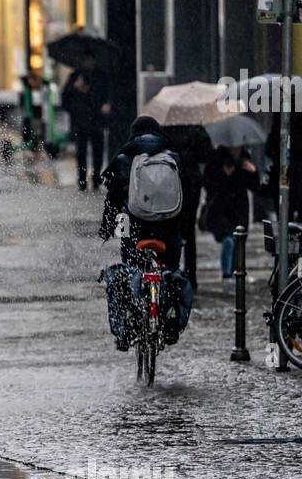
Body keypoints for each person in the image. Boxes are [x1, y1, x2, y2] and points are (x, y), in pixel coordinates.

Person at [99, 115, 192, 350]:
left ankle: (128, 327)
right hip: (169, 227)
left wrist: (108, 228)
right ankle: (169, 324)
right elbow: (187, 197)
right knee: (170, 272)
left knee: (129, 268)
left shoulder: (125, 157)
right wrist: (184, 229)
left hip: (133, 225)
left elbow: (113, 200)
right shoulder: (173, 158)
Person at [162, 123, 213, 288]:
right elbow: (206, 155)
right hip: (191, 183)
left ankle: (171, 271)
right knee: (189, 232)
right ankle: (191, 276)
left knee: (171, 228)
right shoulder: (196, 129)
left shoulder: (165, 130)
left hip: (172, 182)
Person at [202, 145, 260, 281]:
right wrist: (223, 174)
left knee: (239, 240)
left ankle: (238, 272)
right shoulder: (217, 159)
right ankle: (227, 274)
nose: (236, 150)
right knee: (228, 240)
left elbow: (255, 186)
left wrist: (253, 172)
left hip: (240, 208)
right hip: (221, 208)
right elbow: (209, 184)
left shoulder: (245, 159)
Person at [61, 51, 110, 192]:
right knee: (81, 152)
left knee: (98, 151)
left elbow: (106, 94)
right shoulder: (76, 76)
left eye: (91, 59)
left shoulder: (101, 77)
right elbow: (65, 99)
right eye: (86, 59)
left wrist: (106, 104)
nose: (89, 63)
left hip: (96, 120)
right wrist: (74, 88)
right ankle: (82, 179)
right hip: (81, 120)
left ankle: (95, 178)